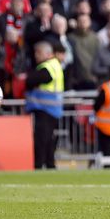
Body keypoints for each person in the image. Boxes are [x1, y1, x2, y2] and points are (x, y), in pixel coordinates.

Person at [27, 41, 64, 169]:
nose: (36, 56)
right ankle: (50, 164)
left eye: (39, 52)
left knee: (42, 139)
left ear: (48, 53)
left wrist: (27, 79)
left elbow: (34, 80)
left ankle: (39, 164)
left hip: (45, 108)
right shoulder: (55, 65)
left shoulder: (47, 66)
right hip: (53, 108)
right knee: (48, 139)